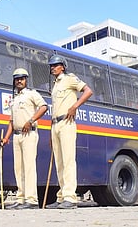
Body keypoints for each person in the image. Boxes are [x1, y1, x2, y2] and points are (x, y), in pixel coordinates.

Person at [45, 55, 93, 209]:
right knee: (59, 162)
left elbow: (88, 91)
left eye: (56, 65)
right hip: (55, 124)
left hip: (67, 122)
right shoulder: (54, 85)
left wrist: (74, 106)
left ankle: (70, 198)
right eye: (51, 65)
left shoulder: (69, 78)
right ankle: (61, 196)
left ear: (63, 67)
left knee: (68, 160)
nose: (53, 67)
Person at [1, 68, 48, 209]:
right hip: (16, 135)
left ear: (26, 80)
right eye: (16, 79)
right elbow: (11, 121)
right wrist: (6, 138)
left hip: (29, 134)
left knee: (28, 167)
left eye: (22, 78)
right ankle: (21, 199)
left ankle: (31, 200)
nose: (19, 81)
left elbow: (44, 107)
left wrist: (31, 120)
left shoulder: (32, 94)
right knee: (18, 168)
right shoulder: (14, 99)